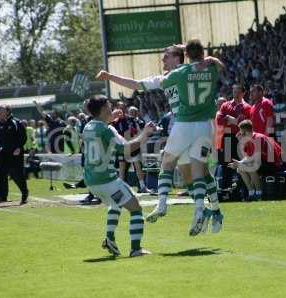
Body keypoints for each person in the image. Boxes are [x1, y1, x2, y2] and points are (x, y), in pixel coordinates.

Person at [96, 42, 225, 235]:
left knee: (191, 168)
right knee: (191, 172)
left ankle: (206, 210)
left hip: (186, 124)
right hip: (201, 124)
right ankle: (206, 210)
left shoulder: (177, 74)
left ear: (177, 58)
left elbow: (137, 84)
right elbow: (209, 61)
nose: (162, 59)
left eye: (166, 56)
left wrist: (109, 76)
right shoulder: (204, 66)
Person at [83, 95, 153, 257]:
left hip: (91, 180)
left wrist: (110, 119)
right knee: (136, 209)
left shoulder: (88, 126)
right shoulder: (106, 129)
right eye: (108, 105)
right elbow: (126, 149)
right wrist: (145, 133)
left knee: (115, 204)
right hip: (106, 180)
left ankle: (110, 239)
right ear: (102, 109)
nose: (111, 107)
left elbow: (101, 131)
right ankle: (136, 249)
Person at [228, 120, 284, 201]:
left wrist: (242, 163)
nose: (239, 134)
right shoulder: (250, 139)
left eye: (240, 131)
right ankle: (251, 192)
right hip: (263, 162)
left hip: (273, 164)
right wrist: (239, 163)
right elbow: (249, 157)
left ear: (244, 131)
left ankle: (259, 193)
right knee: (240, 168)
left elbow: (255, 158)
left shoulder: (258, 138)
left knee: (251, 166)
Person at [0, 105, 29, 205]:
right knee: (1, 174)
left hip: (15, 154)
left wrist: (19, 147)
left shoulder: (16, 122)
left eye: (1, 110)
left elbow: (23, 137)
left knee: (16, 175)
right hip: (3, 153)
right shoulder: (0, 124)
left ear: (7, 111)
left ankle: (25, 192)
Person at [215, 84, 251, 197]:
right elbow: (219, 120)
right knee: (226, 165)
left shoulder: (247, 107)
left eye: (237, 91)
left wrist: (232, 120)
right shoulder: (226, 105)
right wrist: (234, 120)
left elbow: (244, 124)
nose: (235, 93)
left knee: (241, 164)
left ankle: (242, 190)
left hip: (240, 138)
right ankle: (226, 190)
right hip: (227, 138)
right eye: (234, 91)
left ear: (243, 93)